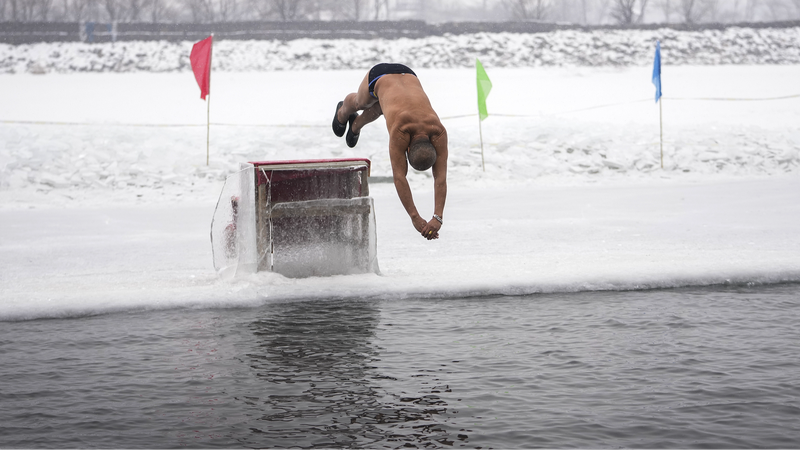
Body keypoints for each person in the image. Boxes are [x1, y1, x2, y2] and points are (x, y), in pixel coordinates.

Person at [332, 63, 448, 241]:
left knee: (382, 106)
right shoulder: (401, 130)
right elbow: (400, 177)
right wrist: (415, 217)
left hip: (408, 74)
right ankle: (343, 111)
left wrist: (437, 217)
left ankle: (355, 126)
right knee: (361, 102)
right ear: (407, 149)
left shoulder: (438, 129)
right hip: (379, 76)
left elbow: (440, 178)